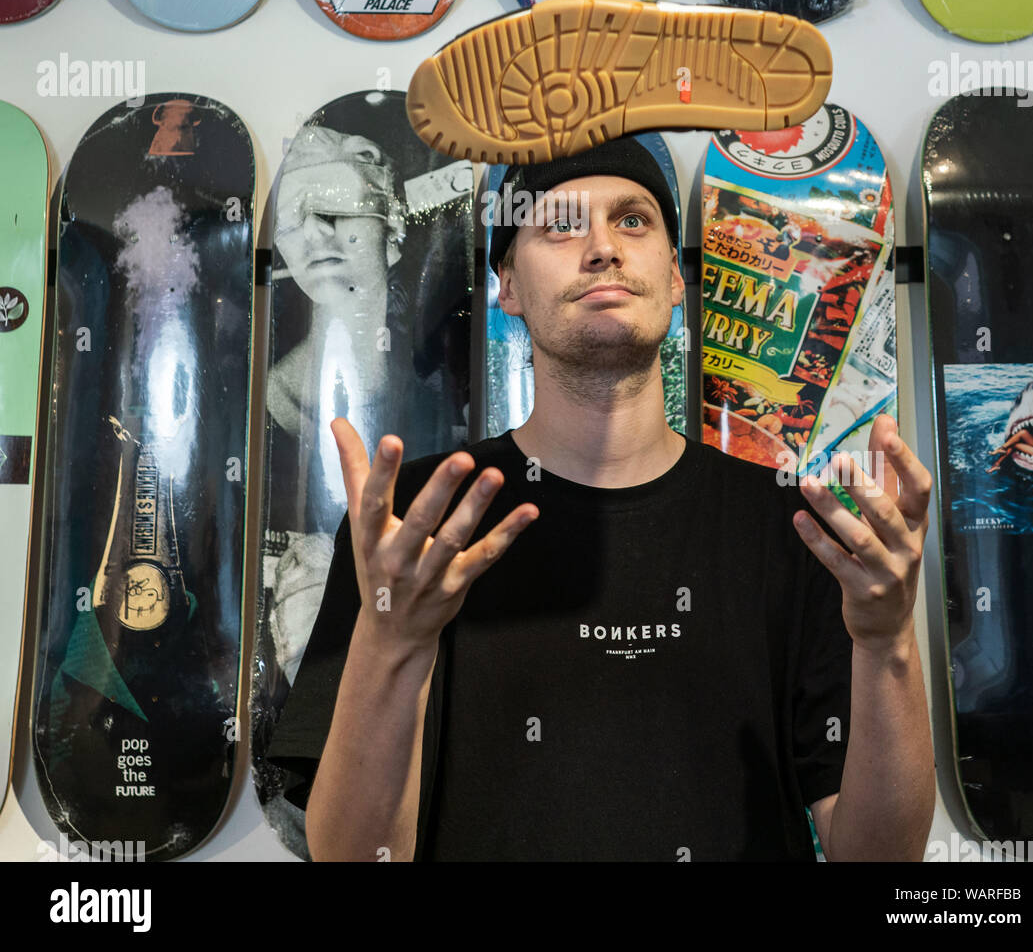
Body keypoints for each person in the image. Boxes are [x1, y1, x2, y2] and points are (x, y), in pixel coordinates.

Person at [270, 137, 935, 861]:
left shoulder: (794, 527)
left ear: (676, 280)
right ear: (508, 287)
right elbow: (355, 857)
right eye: (558, 225)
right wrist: (393, 643)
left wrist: (887, 642)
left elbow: (878, 861)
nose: (601, 249)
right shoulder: (414, 528)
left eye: (632, 221)